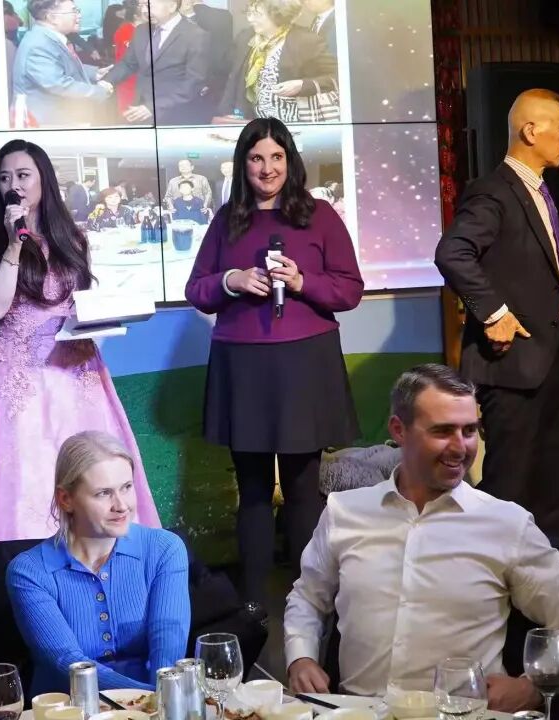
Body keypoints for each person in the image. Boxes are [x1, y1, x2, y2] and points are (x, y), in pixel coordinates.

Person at [283, 364, 559, 713]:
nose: (460, 447)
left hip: (460, 715)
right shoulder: (344, 511)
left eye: (470, 430)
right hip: (357, 712)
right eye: (443, 431)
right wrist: (300, 658)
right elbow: (308, 598)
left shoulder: (506, 524)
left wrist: (532, 687)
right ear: (399, 430)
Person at [0, 139, 161, 602]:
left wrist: (99, 318)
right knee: (25, 482)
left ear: (43, 179)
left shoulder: (73, 237)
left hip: (76, 374)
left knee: (92, 476)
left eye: (23, 175)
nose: (14, 185)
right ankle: (25, 597)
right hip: (16, 378)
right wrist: (14, 242)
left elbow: (79, 302)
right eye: (4, 178)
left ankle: (108, 589)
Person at [184, 117, 361, 605]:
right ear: (243, 164)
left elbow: (349, 289)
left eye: (277, 157)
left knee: (304, 489)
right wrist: (232, 280)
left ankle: (311, 600)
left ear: (290, 161)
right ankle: (253, 604)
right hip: (243, 365)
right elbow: (196, 288)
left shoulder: (320, 215)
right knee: (254, 490)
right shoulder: (228, 219)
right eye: (257, 158)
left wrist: (302, 282)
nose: (267, 168)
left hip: (305, 363)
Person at [435, 89, 559, 544]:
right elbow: (453, 252)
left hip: (555, 359)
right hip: (514, 364)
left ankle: (550, 578)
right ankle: (496, 585)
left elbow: (542, 275)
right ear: (531, 131)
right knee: (511, 489)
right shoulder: (494, 190)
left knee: (553, 489)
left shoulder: (541, 194)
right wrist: (495, 313)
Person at [8, 431, 190, 693]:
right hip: (69, 706)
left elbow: (168, 643)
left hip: (156, 703)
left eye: (127, 487)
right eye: (104, 493)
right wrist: (148, 699)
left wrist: (162, 700)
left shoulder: (164, 549)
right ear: (66, 499)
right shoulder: (29, 571)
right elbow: (67, 662)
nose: (121, 505)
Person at [213, 0, 337, 123]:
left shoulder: (305, 41)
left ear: (277, 15)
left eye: (257, 15)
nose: (250, 19)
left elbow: (337, 76)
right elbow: (233, 78)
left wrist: (302, 85)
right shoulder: (246, 38)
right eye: (249, 13)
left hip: (293, 123)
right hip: (255, 123)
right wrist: (228, 111)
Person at [100, 0, 208, 126]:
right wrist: (106, 82)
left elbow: (193, 82)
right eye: (142, 6)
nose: (144, 11)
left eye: (149, 5)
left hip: (175, 115)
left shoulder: (195, 35)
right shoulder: (141, 30)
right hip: (140, 111)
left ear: (172, 6)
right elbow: (128, 63)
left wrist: (153, 107)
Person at [12, 0, 114, 127]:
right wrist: (100, 91)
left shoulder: (47, 38)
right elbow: (59, 84)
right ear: (52, 17)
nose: (79, 15)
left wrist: (94, 73)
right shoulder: (39, 44)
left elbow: (61, 65)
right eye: (74, 11)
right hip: (46, 125)